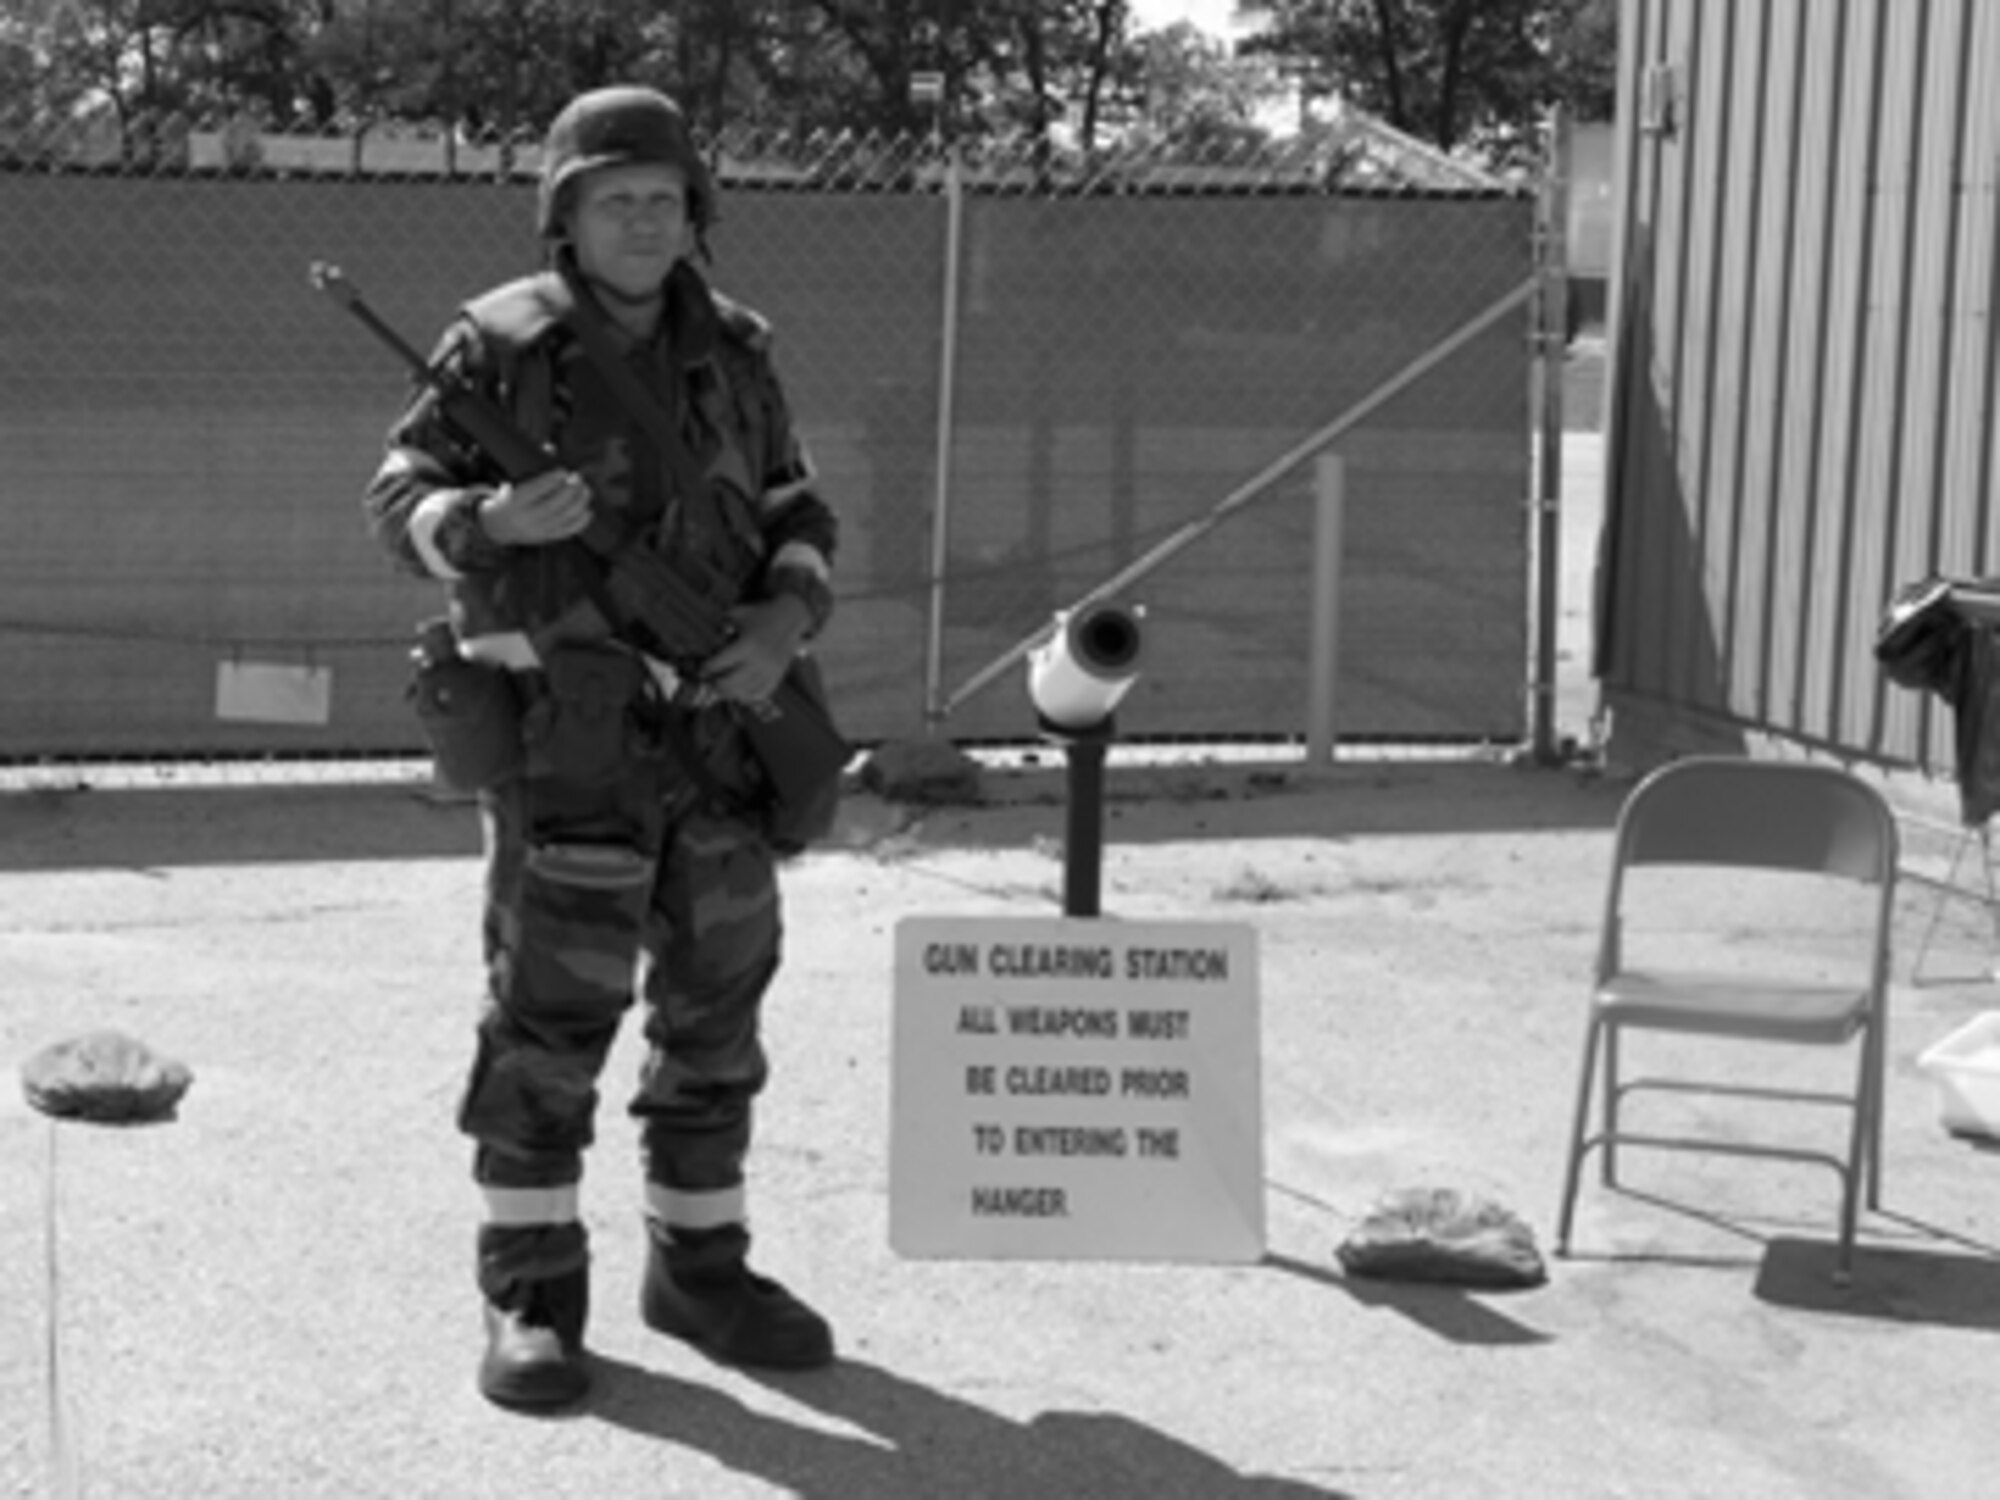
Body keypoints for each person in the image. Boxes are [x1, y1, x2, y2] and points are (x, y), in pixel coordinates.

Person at [361, 84, 839, 1411]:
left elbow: (800, 505)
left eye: (664, 198)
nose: (642, 220)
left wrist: (783, 619)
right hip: (572, 740)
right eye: (613, 198)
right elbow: (393, 499)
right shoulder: (499, 344)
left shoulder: (738, 349)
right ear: (565, 214)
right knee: (549, 1022)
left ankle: (700, 1267)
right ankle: (532, 1292)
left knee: (717, 1012)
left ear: (697, 215)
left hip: (724, 741)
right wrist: (487, 524)